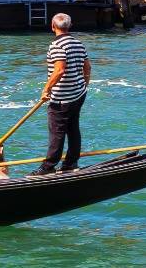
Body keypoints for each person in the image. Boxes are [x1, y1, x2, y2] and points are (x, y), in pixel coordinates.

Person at [33, 12, 91, 176]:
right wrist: (84, 84)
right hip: (78, 94)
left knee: (57, 132)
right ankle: (71, 162)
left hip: (62, 98)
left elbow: (59, 70)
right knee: (73, 128)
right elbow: (87, 67)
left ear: (53, 26)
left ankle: (48, 166)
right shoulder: (78, 43)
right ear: (69, 26)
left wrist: (46, 89)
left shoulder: (56, 45)